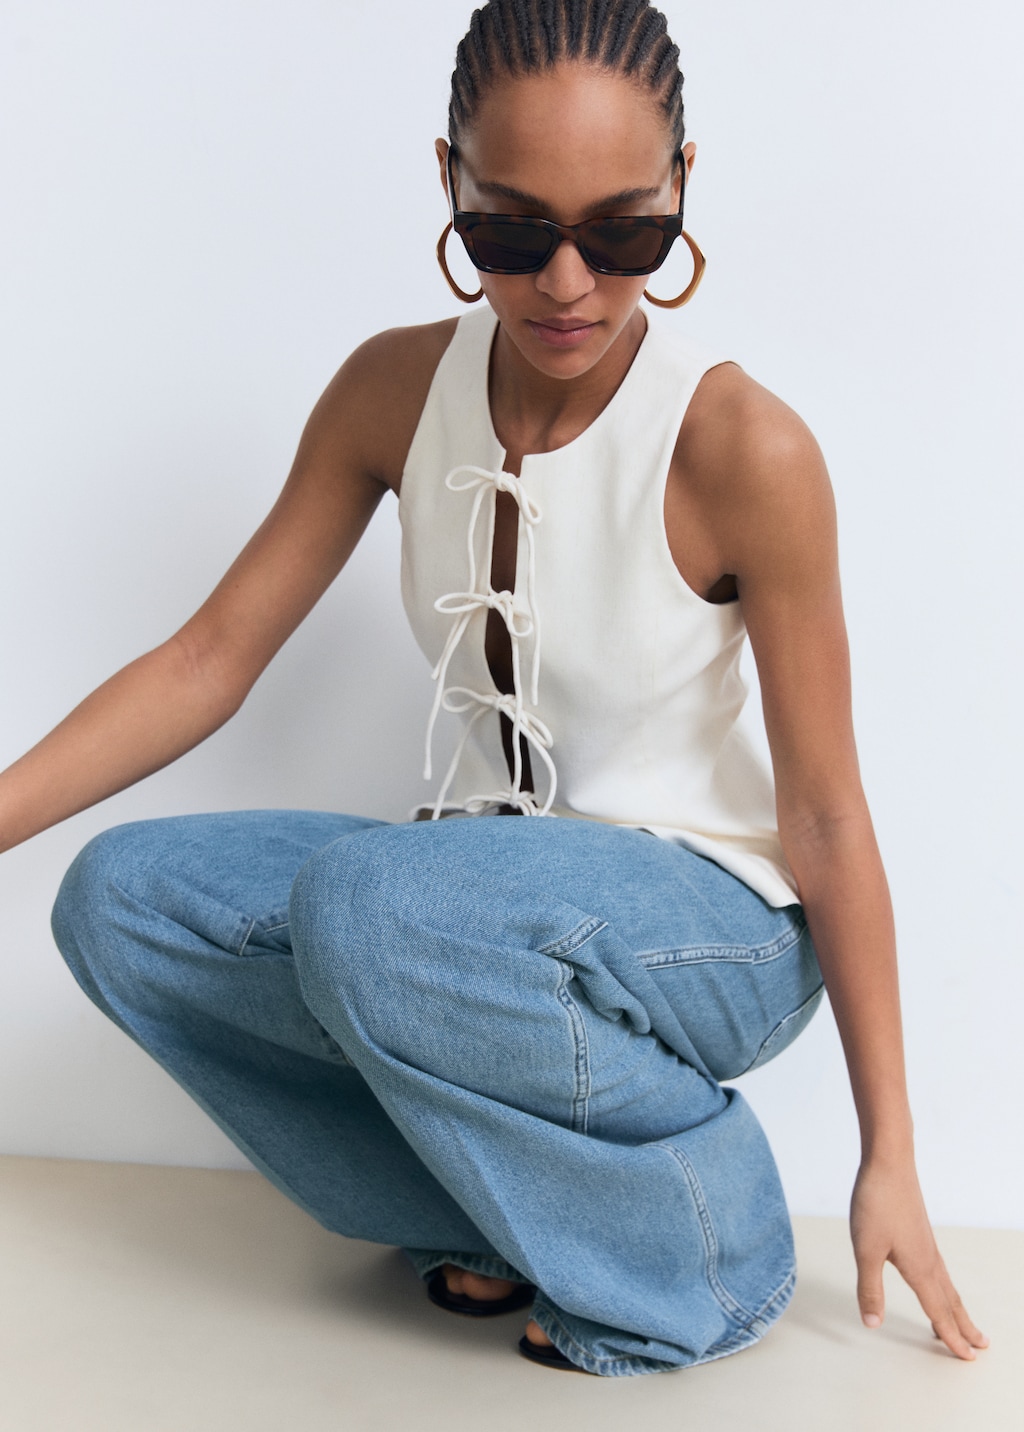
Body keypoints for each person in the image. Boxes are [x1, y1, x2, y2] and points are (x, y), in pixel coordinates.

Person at [0, 0, 988, 1378]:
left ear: (682, 187)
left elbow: (825, 815)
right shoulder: (392, 390)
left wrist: (891, 1151)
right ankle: (508, 1217)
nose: (568, 283)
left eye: (623, 233)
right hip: (464, 906)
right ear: (449, 184)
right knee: (123, 903)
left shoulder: (741, 447)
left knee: (367, 906)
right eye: (513, 233)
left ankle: (704, 1244)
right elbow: (207, 660)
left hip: (717, 923)